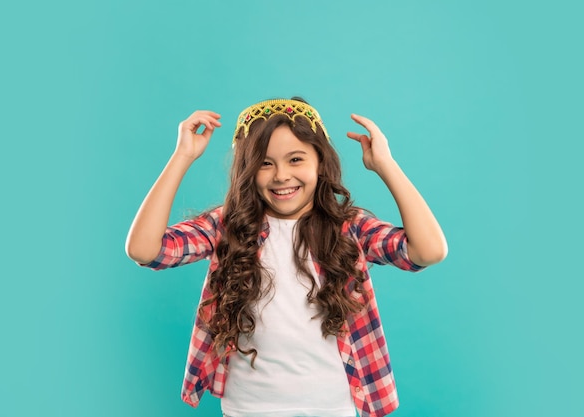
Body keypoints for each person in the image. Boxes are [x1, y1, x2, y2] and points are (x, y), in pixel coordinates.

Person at [125, 98, 447, 417]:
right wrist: (182, 156)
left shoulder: (348, 228)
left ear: (320, 162)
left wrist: (385, 165)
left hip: (332, 408)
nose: (281, 176)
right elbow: (144, 250)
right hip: (248, 410)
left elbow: (428, 250)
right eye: (265, 163)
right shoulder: (229, 227)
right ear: (248, 170)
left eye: (296, 159)